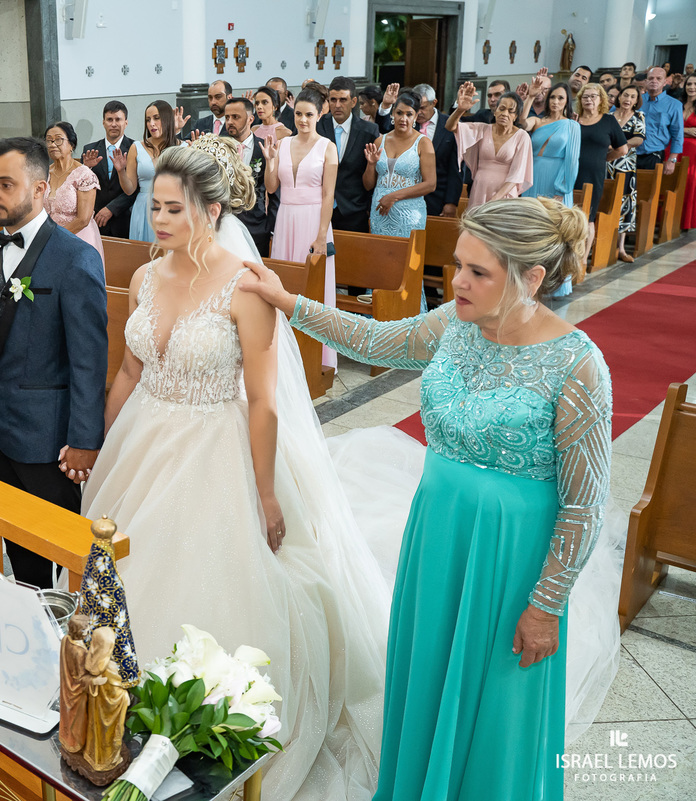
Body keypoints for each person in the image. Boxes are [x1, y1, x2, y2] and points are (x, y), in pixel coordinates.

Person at [244, 196, 612, 801]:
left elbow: (584, 503)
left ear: (532, 278)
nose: (457, 281)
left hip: (509, 560)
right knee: (428, 675)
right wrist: (289, 302)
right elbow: (375, 339)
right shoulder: (455, 324)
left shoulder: (578, 366)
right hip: (438, 537)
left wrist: (546, 605)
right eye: (458, 265)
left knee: (495, 703)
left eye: (477, 272)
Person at [80, 139, 389, 801]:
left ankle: (199, 729)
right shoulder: (145, 278)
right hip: (144, 444)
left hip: (216, 447)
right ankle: (124, 713)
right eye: (155, 206)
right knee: (125, 575)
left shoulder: (246, 288)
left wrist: (266, 492)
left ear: (212, 210)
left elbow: (263, 400)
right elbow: (130, 369)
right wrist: (104, 445)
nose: (159, 219)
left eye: (175, 208)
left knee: (212, 582)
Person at [0, 137, 107, 590]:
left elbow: (89, 362)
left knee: (63, 554)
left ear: (41, 189)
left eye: (6, 184)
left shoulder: (75, 258)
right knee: (20, 554)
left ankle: (66, 627)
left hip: (49, 440)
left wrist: (85, 440)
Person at [268, 87, 339, 370]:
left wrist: (321, 236)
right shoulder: (284, 143)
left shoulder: (328, 147)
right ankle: (284, 355)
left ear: (319, 114)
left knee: (313, 289)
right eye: (298, 114)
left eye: (309, 114)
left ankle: (318, 356)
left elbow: (328, 195)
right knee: (285, 284)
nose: (303, 120)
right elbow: (271, 187)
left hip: (314, 221)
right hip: (285, 219)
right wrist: (271, 160)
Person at [363, 90, 436, 241]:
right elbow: (368, 185)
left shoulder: (423, 143)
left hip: (410, 216)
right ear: (392, 114)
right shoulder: (380, 141)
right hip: (380, 215)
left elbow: (430, 184)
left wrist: (393, 196)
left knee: (407, 255)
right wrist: (371, 164)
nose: (403, 119)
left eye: (409, 114)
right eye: (399, 113)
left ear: (416, 116)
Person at [446, 82, 533, 207]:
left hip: (504, 194)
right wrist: (460, 110)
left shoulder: (522, 136)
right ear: (495, 111)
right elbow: (450, 127)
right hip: (480, 189)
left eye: (510, 111)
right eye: (501, 109)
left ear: (515, 116)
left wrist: (495, 199)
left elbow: (517, 175)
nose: (505, 114)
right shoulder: (482, 129)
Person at [317, 76, 380, 233]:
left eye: (343, 100)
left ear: (353, 102)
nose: (337, 105)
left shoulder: (368, 131)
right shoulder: (317, 126)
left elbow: (373, 175)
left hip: (354, 211)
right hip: (318, 208)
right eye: (333, 100)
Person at [575, 84, 627, 262]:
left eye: (593, 96)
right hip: (571, 172)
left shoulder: (608, 121)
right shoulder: (574, 119)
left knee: (588, 217)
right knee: (571, 215)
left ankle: (583, 260)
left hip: (594, 175)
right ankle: (570, 257)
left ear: (601, 99)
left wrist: (604, 159)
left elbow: (622, 149)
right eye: (585, 96)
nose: (589, 100)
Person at [116, 100, 178, 242]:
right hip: (143, 207)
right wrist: (121, 171)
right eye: (148, 120)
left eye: (156, 118)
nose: (151, 124)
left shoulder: (183, 148)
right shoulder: (136, 147)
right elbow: (129, 190)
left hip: (172, 206)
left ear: (167, 119)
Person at [44, 121, 104, 264]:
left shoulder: (84, 175)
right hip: (47, 240)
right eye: (49, 140)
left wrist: (55, 238)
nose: (53, 144)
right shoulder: (43, 173)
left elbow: (83, 219)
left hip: (78, 239)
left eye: (58, 139)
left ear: (71, 145)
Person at [221, 97, 274, 257]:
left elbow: (273, 193)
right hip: (224, 224)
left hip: (257, 226)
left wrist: (270, 227)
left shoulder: (264, 148)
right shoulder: (220, 148)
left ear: (250, 119)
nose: (230, 122)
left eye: (235, 117)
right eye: (227, 117)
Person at [521, 82, 582, 208]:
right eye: (552, 97)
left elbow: (572, 160)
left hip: (556, 179)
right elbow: (522, 123)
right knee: (529, 215)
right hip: (533, 174)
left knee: (553, 217)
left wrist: (562, 190)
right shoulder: (537, 121)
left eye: (560, 98)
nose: (555, 101)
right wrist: (531, 97)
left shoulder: (572, 126)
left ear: (567, 101)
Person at [82, 101, 138, 238]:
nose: (113, 124)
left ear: (126, 122)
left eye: (118, 119)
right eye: (109, 120)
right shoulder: (90, 150)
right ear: (103, 122)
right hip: (96, 220)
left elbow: (137, 188)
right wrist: (85, 169)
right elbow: (82, 186)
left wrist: (112, 208)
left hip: (125, 219)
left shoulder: (135, 148)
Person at [410, 83, 463, 217]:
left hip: (438, 198)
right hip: (408, 196)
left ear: (434, 103)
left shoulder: (450, 126)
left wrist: (451, 202)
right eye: (415, 108)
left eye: (422, 108)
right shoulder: (408, 124)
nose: (418, 112)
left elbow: (455, 168)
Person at [608, 85, 646, 260]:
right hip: (607, 163)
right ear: (619, 97)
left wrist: (621, 146)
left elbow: (639, 138)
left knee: (624, 203)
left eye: (632, 96)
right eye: (625, 95)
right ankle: (602, 244)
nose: (628, 99)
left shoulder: (639, 116)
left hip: (626, 165)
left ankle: (621, 248)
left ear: (636, 101)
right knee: (606, 200)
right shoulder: (608, 116)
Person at [639, 67, 685, 174]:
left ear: (665, 82)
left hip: (654, 154)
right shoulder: (636, 100)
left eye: (658, 78)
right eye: (651, 78)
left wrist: (672, 160)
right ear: (646, 81)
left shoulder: (674, 105)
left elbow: (677, 134)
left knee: (649, 185)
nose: (654, 81)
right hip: (630, 153)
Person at [680, 74, 696, 231]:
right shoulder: (678, 105)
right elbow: (668, 127)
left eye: (695, 84)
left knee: (689, 182)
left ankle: (685, 220)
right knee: (672, 181)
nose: (691, 87)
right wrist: (686, 130)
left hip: (693, 151)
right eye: (689, 84)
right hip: (674, 148)